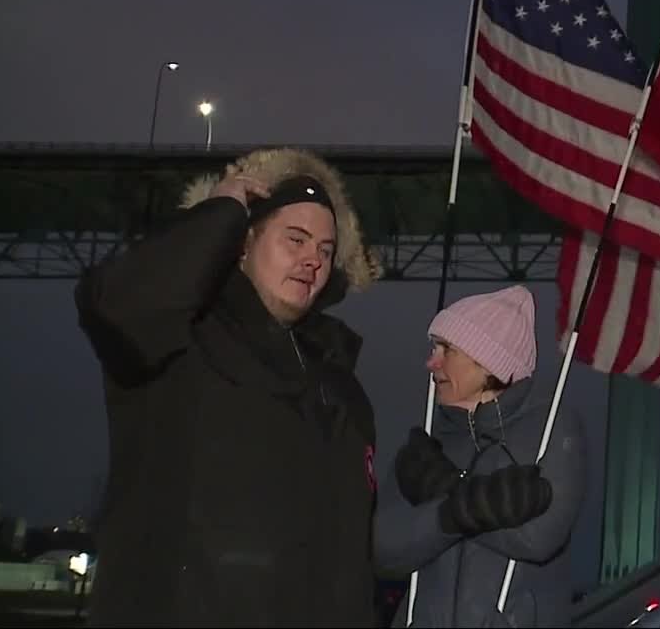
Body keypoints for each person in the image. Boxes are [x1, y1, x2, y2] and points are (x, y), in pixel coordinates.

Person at [74, 147, 383, 626]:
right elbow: (117, 306)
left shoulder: (338, 383)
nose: (312, 261)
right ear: (240, 244)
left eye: (325, 250)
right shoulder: (180, 340)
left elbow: (349, 555)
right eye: (295, 240)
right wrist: (221, 212)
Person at [374, 286, 588, 628]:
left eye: (447, 349)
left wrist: (444, 490)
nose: (432, 362)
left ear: (488, 359)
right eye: (434, 348)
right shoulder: (429, 440)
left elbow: (538, 538)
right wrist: (460, 509)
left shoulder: (552, 428)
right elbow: (386, 550)